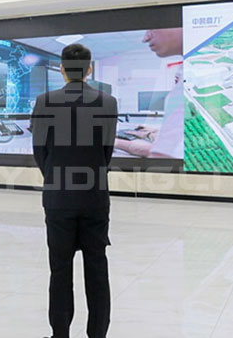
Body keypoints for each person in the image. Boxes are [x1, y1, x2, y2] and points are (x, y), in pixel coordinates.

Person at [31, 44, 118, 338]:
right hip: (95, 197)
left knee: (59, 269)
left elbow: (40, 152)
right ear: (89, 69)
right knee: (97, 269)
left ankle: (60, 334)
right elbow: (106, 152)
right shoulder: (108, 102)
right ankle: (98, 334)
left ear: (62, 69)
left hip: (58, 197)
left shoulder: (44, 101)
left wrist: (55, 177)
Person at [114, 28, 184, 159]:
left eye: (153, 27)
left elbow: (163, 153)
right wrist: (147, 132)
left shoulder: (189, 85)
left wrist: (114, 142)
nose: (145, 38)